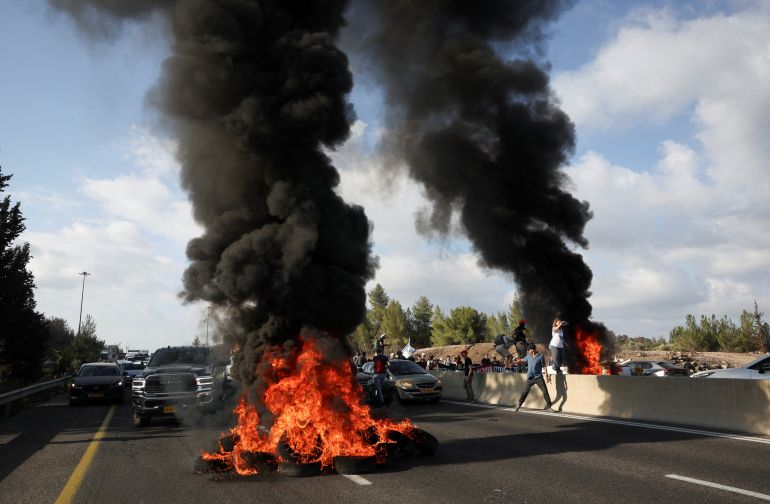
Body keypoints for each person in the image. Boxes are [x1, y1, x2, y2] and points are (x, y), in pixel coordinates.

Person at [513, 344, 555, 412]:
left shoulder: (540, 356)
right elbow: (522, 360)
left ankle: (549, 406)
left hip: (538, 377)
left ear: (533, 349)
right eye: (528, 351)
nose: (529, 352)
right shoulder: (528, 356)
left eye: (529, 350)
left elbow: (544, 367)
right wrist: (514, 362)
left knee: (545, 392)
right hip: (530, 378)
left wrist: (546, 376)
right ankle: (519, 404)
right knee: (525, 392)